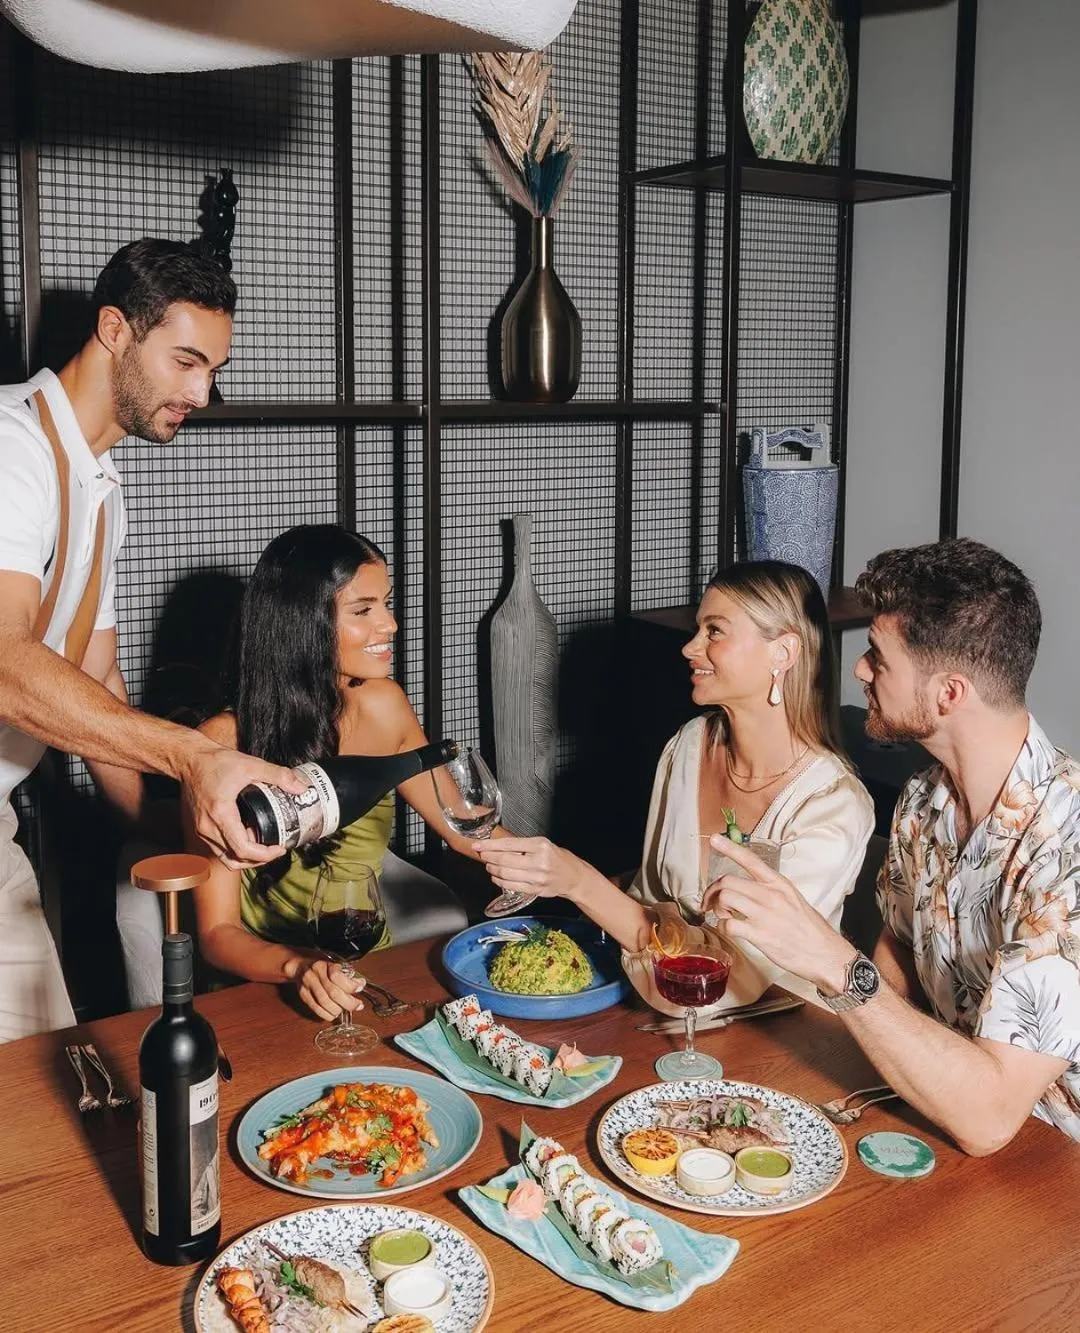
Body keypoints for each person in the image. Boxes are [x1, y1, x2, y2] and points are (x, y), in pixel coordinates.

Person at [0, 238, 302, 1041]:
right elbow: (5, 664)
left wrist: (189, 826)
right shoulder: (10, 449)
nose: (203, 392)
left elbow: (97, 691)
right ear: (113, 330)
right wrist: (194, 756)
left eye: (214, 369)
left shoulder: (102, 491)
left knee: (49, 1083)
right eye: (187, 361)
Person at [703, 538, 1080, 1155]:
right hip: (928, 1113)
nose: (859, 670)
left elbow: (989, 1122)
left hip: (1051, 1167)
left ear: (948, 694)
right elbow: (898, 952)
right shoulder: (923, 798)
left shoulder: (1068, 849)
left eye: (878, 657)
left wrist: (831, 963)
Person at [478, 560, 875, 1014]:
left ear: (782, 653)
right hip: (661, 1012)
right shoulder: (690, 746)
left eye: (714, 631)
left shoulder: (831, 806)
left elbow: (729, 981)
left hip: (782, 1037)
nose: (689, 648)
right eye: (697, 629)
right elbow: (648, 898)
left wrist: (578, 882)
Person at [188, 524, 487, 1022]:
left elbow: (466, 829)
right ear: (303, 622)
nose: (390, 625)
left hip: (368, 966)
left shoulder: (384, 706)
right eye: (364, 610)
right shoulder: (220, 744)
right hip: (267, 977)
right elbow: (218, 934)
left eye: (387, 604)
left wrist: (563, 877)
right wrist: (300, 968)